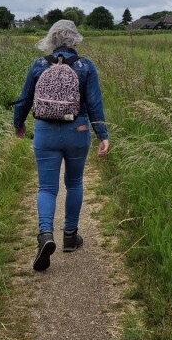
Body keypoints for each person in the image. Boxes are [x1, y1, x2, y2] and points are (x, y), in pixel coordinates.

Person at [13, 19, 109, 272]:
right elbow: (95, 104)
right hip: (77, 130)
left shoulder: (38, 65)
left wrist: (19, 124)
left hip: (45, 132)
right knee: (74, 183)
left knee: (47, 187)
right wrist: (102, 134)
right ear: (75, 39)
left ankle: (45, 235)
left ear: (51, 40)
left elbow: (23, 100)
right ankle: (70, 236)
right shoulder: (86, 66)